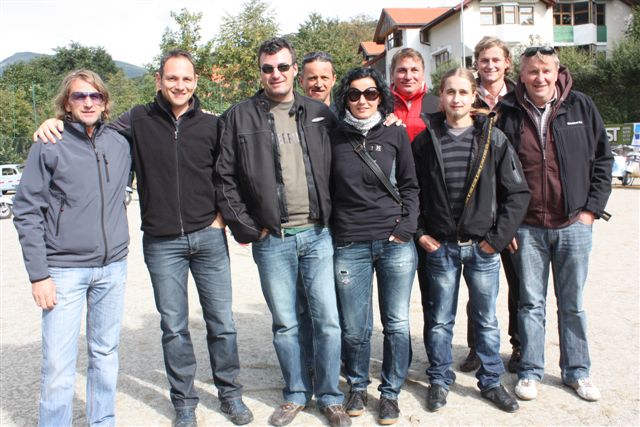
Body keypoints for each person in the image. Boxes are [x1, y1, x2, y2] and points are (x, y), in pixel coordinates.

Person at [32, 50, 253, 427]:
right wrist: (55, 122)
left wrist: (224, 219)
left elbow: (227, 175)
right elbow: (93, 129)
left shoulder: (212, 125)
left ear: (195, 82)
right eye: (172, 78)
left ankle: (230, 394)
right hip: (162, 243)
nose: (179, 85)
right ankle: (184, 402)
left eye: (186, 78)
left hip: (208, 237)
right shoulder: (136, 119)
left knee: (222, 323)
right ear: (158, 80)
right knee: (174, 327)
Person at [215, 37, 350, 427]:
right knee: (286, 323)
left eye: (282, 67)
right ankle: (295, 394)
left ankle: (330, 396)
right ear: (260, 72)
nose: (275, 74)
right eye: (267, 68)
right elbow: (224, 178)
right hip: (272, 239)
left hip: (318, 235)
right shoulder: (238, 117)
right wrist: (247, 227)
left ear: (294, 70)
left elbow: (346, 163)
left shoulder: (320, 113)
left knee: (327, 320)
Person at [14, 69, 131, 426]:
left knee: (105, 354)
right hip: (64, 270)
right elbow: (27, 210)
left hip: (113, 267)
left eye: (95, 96)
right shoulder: (49, 143)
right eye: (79, 96)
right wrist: (39, 275)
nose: (88, 102)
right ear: (67, 103)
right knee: (58, 364)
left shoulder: (120, 142)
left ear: (105, 102)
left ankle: (102, 421)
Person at [496, 46, 613, 402]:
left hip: (573, 222)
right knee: (530, 303)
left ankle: (577, 371)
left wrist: (591, 210)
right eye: (532, 71)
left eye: (546, 70)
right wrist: (507, 224)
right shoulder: (507, 111)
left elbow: (603, 160)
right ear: (521, 74)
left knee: (572, 303)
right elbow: (495, 171)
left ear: (557, 72)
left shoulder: (581, 106)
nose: (540, 78)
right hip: (527, 226)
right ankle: (530, 370)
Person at [412, 68, 530, 413]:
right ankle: (439, 378)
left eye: (463, 92)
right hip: (441, 247)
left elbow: (517, 192)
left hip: (482, 248)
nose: (456, 98)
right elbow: (411, 191)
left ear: (474, 96)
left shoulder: (493, 138)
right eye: (450, 92)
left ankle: (491, 381)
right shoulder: (425, 140)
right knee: (439, 320)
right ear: (441, 96)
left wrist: (497, 238)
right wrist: (420, 233)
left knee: (486, 319)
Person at [330, 67, 419, 425]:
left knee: (396, 323)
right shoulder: (333, 134)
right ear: (345, 98)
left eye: (370, 93)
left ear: (380, 96)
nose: (362, 100)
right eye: (354, 94)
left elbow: (410, 185)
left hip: (394, 242)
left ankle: (391, 393)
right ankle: (356, 385)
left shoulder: (395, 133)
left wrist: (406, 228)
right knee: (355, 327)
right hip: (350, 243)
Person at [460, 36, 521, 374]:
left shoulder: (519, 99)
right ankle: (476, 347)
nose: (490, 65)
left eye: (496, 59)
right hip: (479, 205)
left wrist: (509, 222)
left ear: (507, 63)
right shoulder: (468, 97)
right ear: (477, 63)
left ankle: (518, 345)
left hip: (511, 204)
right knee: (478, 287)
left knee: (519, 285)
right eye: (484, 60)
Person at [389, 48, 440, 143]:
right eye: (402, 70)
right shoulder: (379, 105)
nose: (408, 77)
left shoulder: (438, 105)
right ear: (392, 74)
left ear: (423, 74)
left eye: (414, 70)